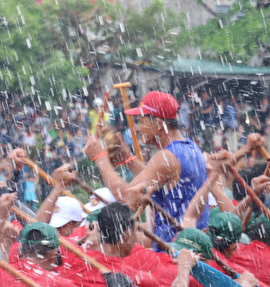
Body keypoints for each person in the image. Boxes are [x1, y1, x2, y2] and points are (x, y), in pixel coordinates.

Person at [84, 91, 209, 243]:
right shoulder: (190, 147)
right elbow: (156, 177)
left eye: (141, 122)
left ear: (158, 124)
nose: (137, 128)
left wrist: (100, 159)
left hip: (174, 249)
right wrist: (128, 158)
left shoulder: (166, 158)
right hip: (190, 241)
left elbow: (126, 196)